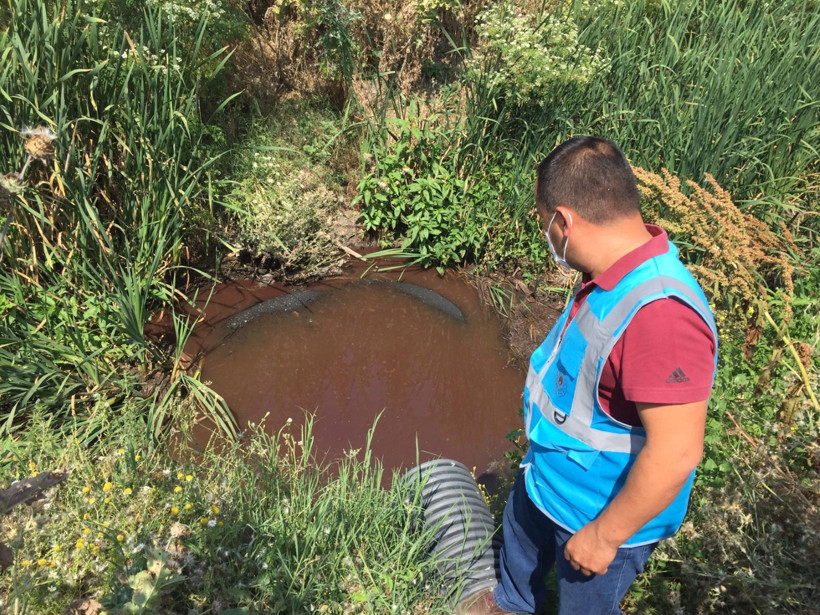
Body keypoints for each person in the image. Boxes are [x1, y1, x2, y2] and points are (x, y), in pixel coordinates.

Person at [461, 136, 718, 615]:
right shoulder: (607, 274)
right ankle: (511, 605)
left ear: (564, 221)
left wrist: (603, 537)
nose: (547, 238)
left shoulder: (662, 317)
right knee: (517, 571)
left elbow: (677, 450)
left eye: (545, 226)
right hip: (545, 484)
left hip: (595, 516)